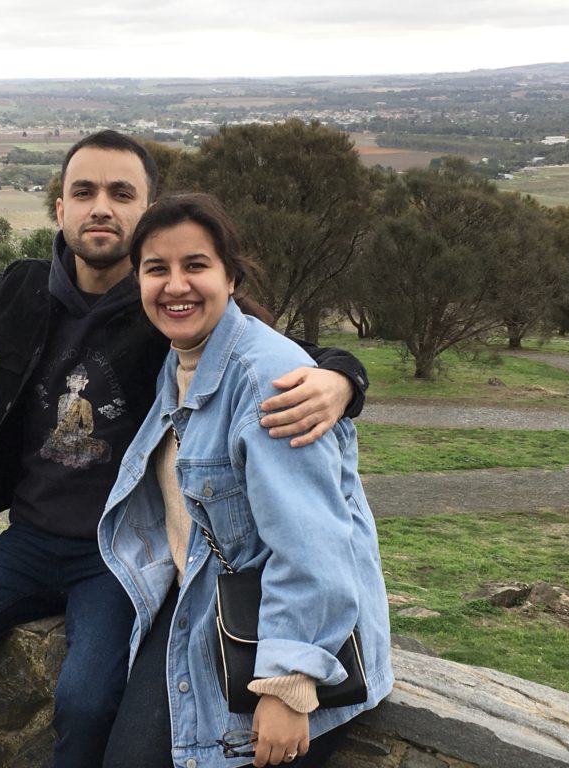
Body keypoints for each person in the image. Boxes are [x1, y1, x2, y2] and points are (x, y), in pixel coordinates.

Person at [0, 131, 371, 768]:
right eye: (84, 192)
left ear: (146, 212)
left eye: (122, 194)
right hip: (28, 539)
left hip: (118, 553)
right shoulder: (21, 291)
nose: (102, 207)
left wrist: (343, 380)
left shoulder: (167, 308)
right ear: (60, 210)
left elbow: (270, 351)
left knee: (87, 703)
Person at [99, 193, 393, 768]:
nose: (175, 285)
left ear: (231, 275)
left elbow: (314, 547)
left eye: (196, 265)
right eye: (157, 269)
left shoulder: (266, 383)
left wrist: (288, 687)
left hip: (281, 637)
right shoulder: (180, 361)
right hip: (203, 604)